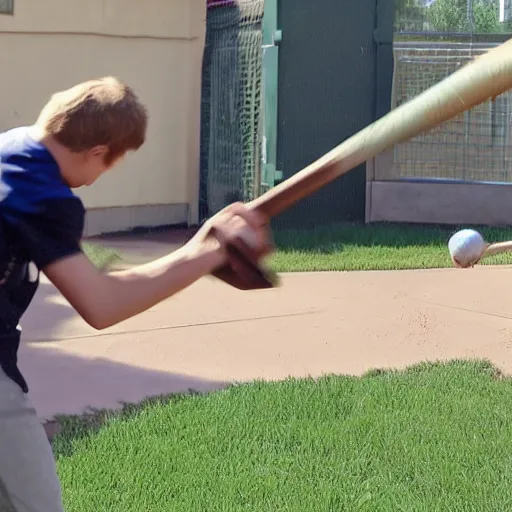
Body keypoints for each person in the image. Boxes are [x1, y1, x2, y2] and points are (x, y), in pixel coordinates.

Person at [0, 76, 273, 511]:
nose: (100, 176)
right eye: (110, 165)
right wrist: (211, 254)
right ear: (98, 153)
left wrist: (198, 249)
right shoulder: (44, 194)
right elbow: (101, 304)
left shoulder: (11, 150)